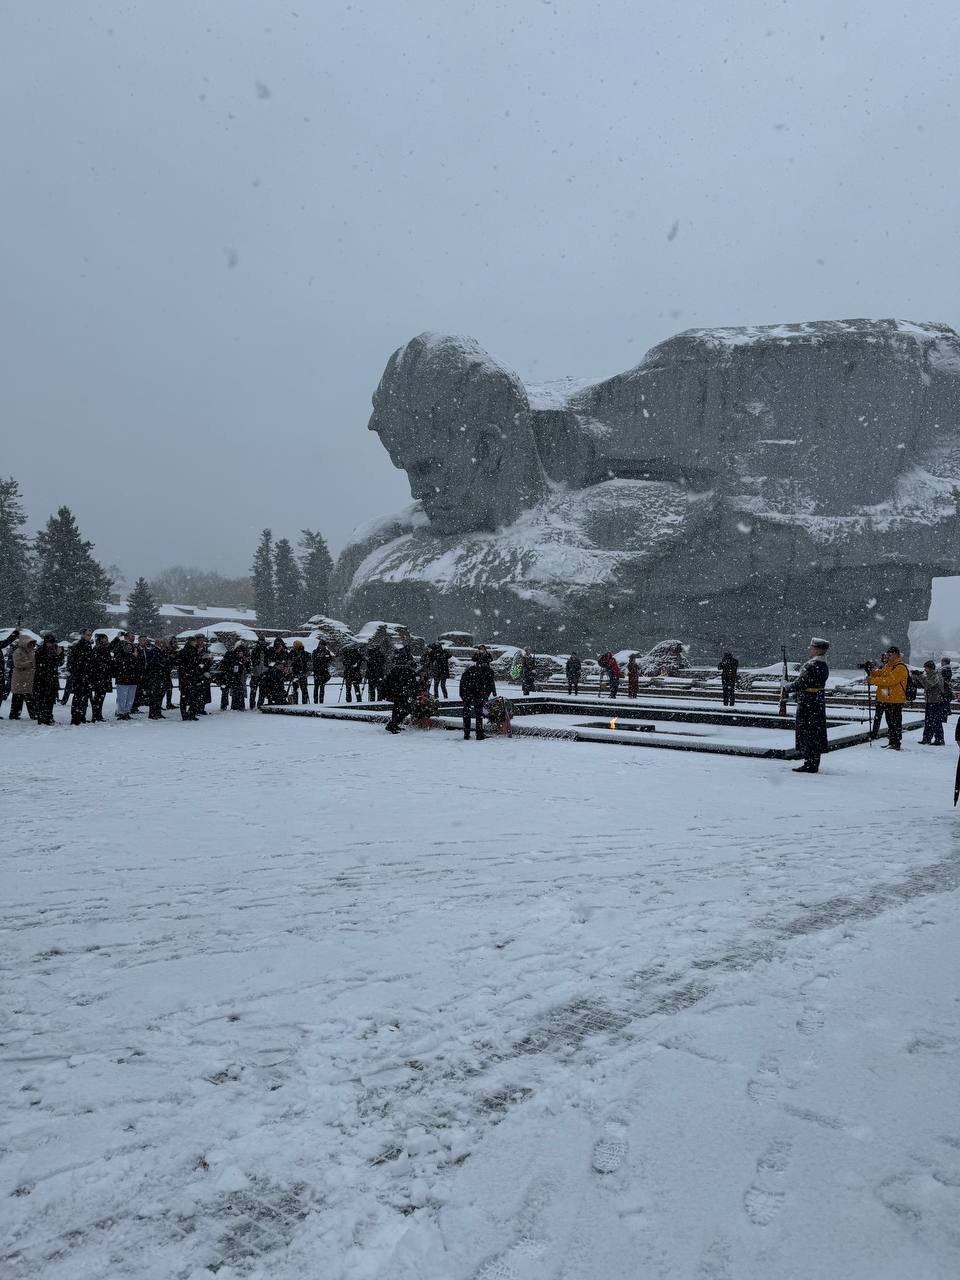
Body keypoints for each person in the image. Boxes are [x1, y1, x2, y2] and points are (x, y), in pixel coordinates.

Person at [786, 636, 830, 773]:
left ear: (817, 650)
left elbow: (802, 683)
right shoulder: (823, 665)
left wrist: (788, 687)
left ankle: (809, 763)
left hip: (808, 704)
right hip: (816, 702)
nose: (810, 650)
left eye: (812, 648)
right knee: (815, 733)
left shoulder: (811, 665)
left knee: (808, 733)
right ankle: (813, 762)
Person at [866, 646, 909, 750]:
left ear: (897, 655)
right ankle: (892, 742)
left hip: (896, 700)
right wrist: (871, 670)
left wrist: (872, 680)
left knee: (895, 722)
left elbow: (890, 680)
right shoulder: (888, 666)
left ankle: (896, 743)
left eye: (890, 654)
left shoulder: (900, 667)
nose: (888, 656)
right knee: (890, 722)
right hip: (887, 699)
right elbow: (880, 673)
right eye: (888, 654)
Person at [459, 651, 497, 740]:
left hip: (467, 692)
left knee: (466, 712)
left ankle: (466, 733)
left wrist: (463, 695)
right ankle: (479, 734)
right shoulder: (487, 672)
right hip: (476, 692)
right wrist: (485, 695)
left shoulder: (469, 670)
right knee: (478, 713)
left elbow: (462, 682)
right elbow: (489, 685)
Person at [382, 653, 419, 732]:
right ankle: (393, 724)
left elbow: (388, 680)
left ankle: (394, 724)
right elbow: (414, 686)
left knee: (396, 708)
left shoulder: (398, 668)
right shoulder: (410, 672)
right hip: (398, 692)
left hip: (392, 691)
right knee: (407, 709)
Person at [111, 632, 144, 720]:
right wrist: (132, 657)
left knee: (130, 696)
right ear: (126, 637)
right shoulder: (121, 645)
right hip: (123, 675)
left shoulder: (135, 646)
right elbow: (120, 659)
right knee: (123, 695)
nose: (133, 638)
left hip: (133, 675)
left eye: (134, 636)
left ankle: (126, 712)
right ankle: (121, 712)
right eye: (131, 636)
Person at [33, 634, 63, 725]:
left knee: (50, 699)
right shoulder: (41, 651)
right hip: (42, 679)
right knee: (43, 699)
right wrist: (55, 656)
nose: (51, 645)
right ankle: (42, 718)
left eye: (53, 643)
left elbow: (59, 663)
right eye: (50, 643)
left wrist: (60, 654)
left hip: (52, 678)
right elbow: (42, 664)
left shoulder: (54, 650)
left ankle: (49, 716)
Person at [915, 660, 947, 745]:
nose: (925, 669)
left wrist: (921, 676)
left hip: (936, 701)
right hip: (930, 701)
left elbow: (928, 685)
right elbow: (923, 685)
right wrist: (916, 676)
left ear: (930, 668)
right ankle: (926, 738)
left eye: (926, 667)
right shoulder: (929, 675)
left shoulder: (936, 675)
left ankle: (939, 739)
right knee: (928, 721)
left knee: (936, 721)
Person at [67, 629, 95, 724]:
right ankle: (76, 717)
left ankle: (81, 716)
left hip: (86, 675)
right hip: (79, 676)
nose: (90, 636)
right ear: (82, 635)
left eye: (90, 635)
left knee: (84, 697)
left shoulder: (88, 645)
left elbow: (89, 661)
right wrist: (78, 673)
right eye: (88, 635)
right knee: (78, 697)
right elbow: (73, 662)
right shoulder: (78, 646)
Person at [176, 635, 204, 721]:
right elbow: (191, 664)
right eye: (195, 641)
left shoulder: (187, 651)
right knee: (189, 696)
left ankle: (188, 714)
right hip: (189, 677)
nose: (196, 643)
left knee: (188, 696)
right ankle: (189, 714)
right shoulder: (189, 652)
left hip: (188, 676)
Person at [8, 635, 36, 719]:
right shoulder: (17, 652)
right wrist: (29, 664)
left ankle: (33, 715)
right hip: (19, 679)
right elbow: (17, 664)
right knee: (18, 697)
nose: (31, 645)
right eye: (30, 643)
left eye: (32, 643)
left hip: (28, 678)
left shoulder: (31, 652)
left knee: (29, 698)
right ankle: (14, 715)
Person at [89, 633, 114, 721]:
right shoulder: (98, 648)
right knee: (98, 697)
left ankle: (98, 714)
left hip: (103, 676)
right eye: (105, 639)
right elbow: (98, 663)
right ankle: (96, 714)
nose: (106, 640)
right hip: (99, 677)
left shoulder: (103, 648)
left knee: (100, 697)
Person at [286, 640, 310, 704]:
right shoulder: (293, 653)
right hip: (296, 673)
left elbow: (309, 661)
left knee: (301, 689)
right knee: (298, 689)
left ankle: (303, 703)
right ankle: (298, 702)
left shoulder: (303, 653)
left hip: (300, 673)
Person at [248, 638, 268, 708]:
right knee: (254, 690)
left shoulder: (266, 650)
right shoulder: (255, 650)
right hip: (256, 671)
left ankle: (259, 704)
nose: (262, 642)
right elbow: (253, 660)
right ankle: (252, 704)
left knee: (261, 690)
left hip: (263, 671)